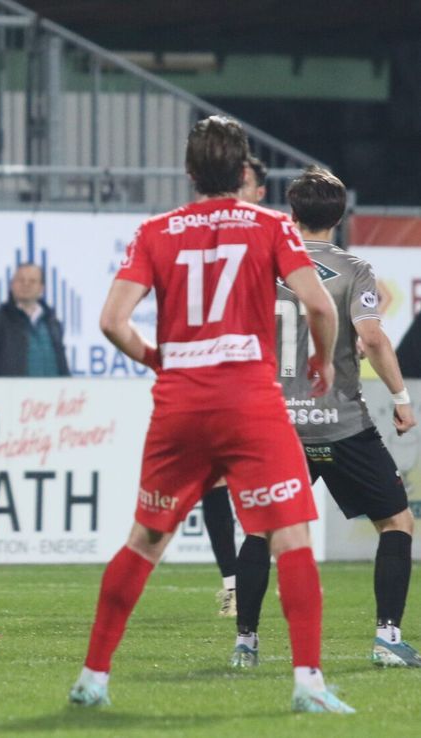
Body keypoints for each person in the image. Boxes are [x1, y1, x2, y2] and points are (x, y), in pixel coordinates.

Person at [68, 116, 352, 713]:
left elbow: (111, 322)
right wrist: (322, 362)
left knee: (144, 539)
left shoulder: (156, 231)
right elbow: (320, 306)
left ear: (192, 172)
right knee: (291, 537)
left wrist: (156, 358)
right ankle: (308, 683)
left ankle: (93, 677)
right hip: (251, 402)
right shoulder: (271, 225)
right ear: (244, 169)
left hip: (181, 406)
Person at [231, 166, 420, 669]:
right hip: (341, 421)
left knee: (260, 529)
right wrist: (402, 398)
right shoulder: (354, 267)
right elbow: (375, 339)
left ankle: (245, 645)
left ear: (291, 215)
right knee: (397, 522)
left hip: (278, 423)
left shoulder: (265, 264)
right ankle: (387, 638)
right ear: (339, 217)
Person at [199, 154, 270, 617]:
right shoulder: (202, 234)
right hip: (211, 371)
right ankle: (233, 582)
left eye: (244, 183)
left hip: (262, 376)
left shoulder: (270, 234)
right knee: (214, 480)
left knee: (262, 486)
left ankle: (248, 576)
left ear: (259, 192)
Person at [0, 263, 70, 377]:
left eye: (32, 281)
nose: (26, 284)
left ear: (42, 288)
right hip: (13, 394)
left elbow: (62, 365)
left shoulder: (52, 322)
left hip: (52, 393)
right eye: (21, 280)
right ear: (12, 285)